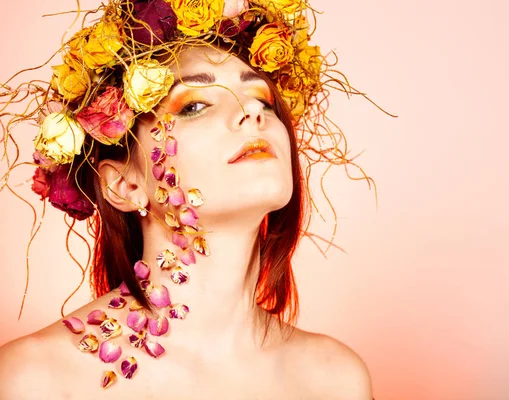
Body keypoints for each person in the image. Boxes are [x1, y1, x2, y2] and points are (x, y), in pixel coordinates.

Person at [0, 0, 388, 398]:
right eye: (195, 105)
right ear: (124, 185)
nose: (251, 113)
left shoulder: (335, 380)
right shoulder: (34, 379)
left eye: (264, 100)